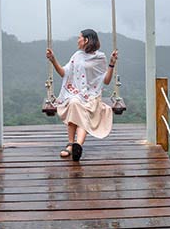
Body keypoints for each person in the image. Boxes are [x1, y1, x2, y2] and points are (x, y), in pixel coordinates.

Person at [45, 29, 118, 161]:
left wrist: (111, 64)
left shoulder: (100, 58)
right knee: (74, 103)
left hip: (92, 96)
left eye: (79, 38)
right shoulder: (77, 56)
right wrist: (53, 60)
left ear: (86, 40)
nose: (77, 40)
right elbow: (64, 73)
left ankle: (72, 145)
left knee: (78, 106)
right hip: (75, 94)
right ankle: (75, 145)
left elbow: (106, 81)